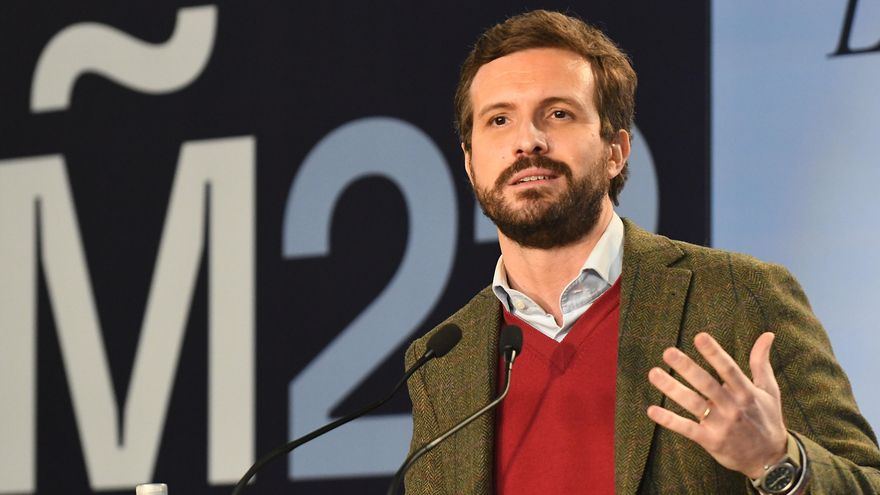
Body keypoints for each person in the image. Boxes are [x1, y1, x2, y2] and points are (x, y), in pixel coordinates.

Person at [403, 9, 880, 495]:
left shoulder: (738, 296)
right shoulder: (443, 361)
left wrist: (776, 461)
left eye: (559, 113)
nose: (528, 141)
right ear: (470, 162)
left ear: (615, 151)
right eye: (499, 120)